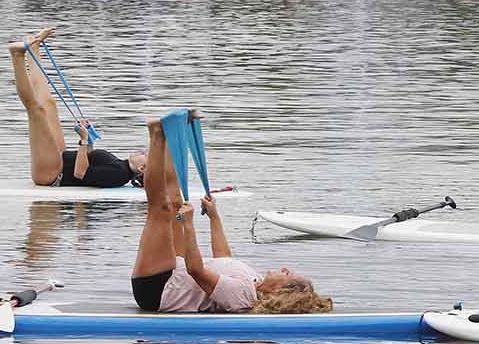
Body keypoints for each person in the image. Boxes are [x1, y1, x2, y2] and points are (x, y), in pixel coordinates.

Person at [130, 111, 331, 314]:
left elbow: (196, 271)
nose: (285, 269)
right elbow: (223, 258)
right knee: (174, 201)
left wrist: (188, 225)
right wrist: (214, 217)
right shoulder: (254, 282)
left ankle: (157, 134)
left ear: (281, 291)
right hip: (176, 274)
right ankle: (170, 133)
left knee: (161, 209)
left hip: (159, 289)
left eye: (289, 275)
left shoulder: (243, 297)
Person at [7, 27, 147, 188]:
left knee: (36, 111)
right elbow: (88, 163)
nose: (141, 151)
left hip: (52, 175)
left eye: (144, 155)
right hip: (59, 161)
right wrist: (88, 140)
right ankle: (34, 49)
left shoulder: (118, 175)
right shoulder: (120, 166)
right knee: (49, 105)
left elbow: (80, 174)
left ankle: (17, 56)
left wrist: (84, 140)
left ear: (142, 168)